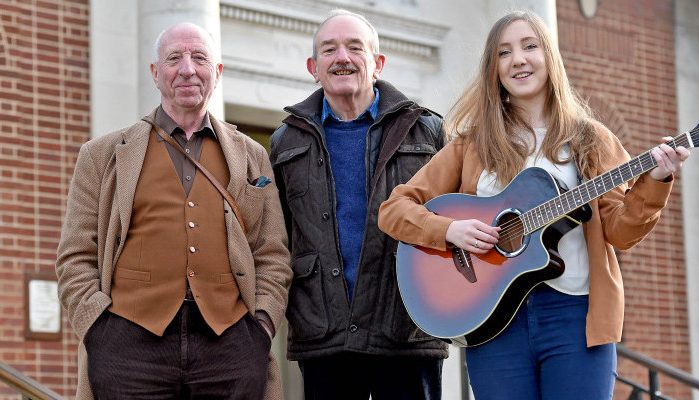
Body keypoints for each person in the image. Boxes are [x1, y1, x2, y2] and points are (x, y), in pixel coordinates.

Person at [378, 10, 690, 400]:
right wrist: (449, 230)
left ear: (549, 57)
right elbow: (394, 209)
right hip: (494, 322)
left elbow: (621, 232)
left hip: (575, 317)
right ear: (494, 69)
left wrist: (656, 180)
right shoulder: (472, 144)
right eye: (504, 52)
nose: (518, 60)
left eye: (530, 46)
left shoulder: (590, 139)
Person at [56, 22, 291, 400]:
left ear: (217, 72)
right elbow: (75, 255)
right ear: (155, 72)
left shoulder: (252, 155)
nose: (187, 69)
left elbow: (272, 253)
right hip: (128, 346)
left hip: (230, 346)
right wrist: (97, 329)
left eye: (199, 58)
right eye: (174, 58)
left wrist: (260, 327)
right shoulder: (101, 155)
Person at [270, 9, 447, 400]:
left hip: (404, 326)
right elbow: (278, 238)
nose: (342, 58)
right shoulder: (285, 142)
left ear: (378, 63)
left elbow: (456, 215)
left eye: (354, 47)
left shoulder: (427, 130)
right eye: (329, 49)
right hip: (325, 333)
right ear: (313, 67)